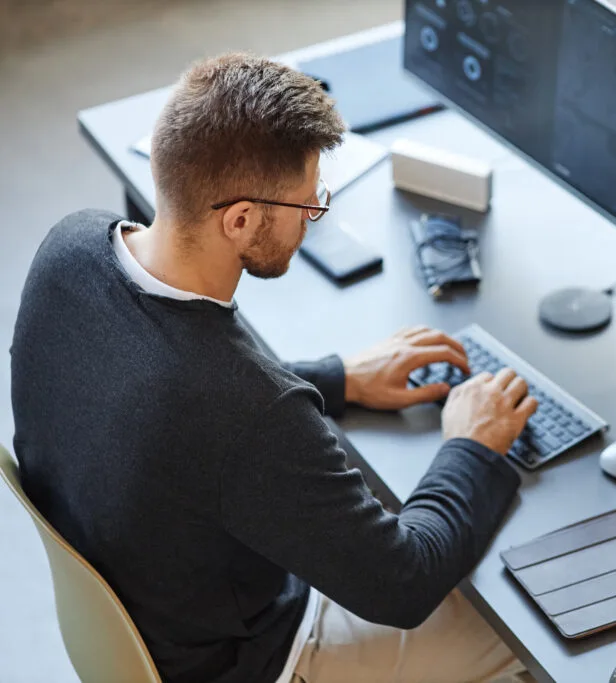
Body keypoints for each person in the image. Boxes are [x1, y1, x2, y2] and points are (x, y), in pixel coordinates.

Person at [10, 53, 538, 683]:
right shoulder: (248, 413)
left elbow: (166, 385)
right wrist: (472, 446)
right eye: (306, 206)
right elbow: (404, 582)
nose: (313, 216)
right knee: (527, 624)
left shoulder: (70, 248)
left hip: (157, 611)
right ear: (239, 219)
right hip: (254, 660)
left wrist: (339, 377)